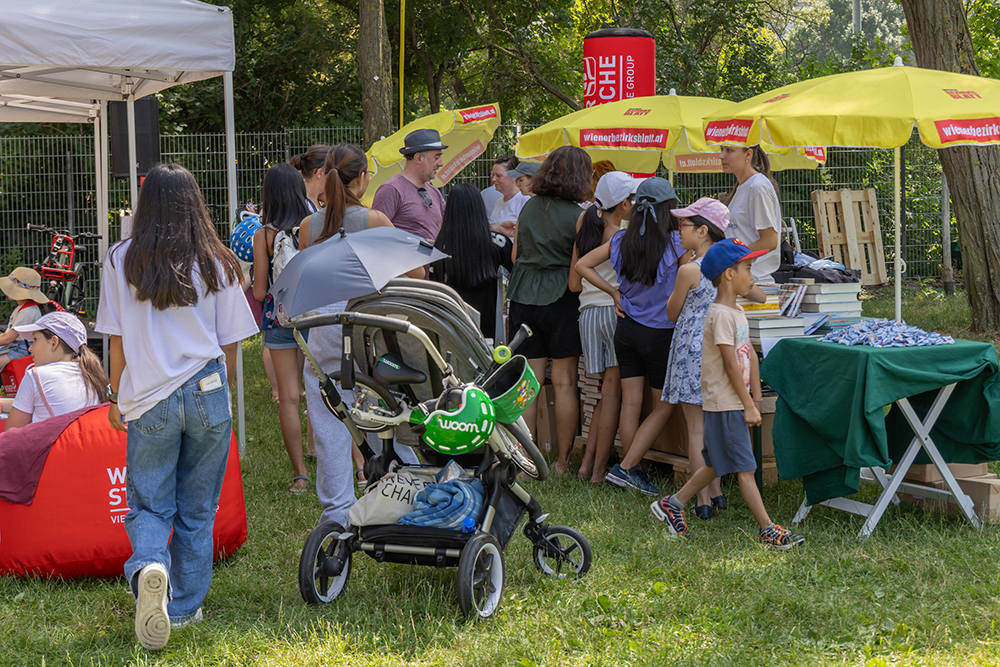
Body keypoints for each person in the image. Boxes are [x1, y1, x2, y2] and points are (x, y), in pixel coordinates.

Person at [96, 163, 258, 650]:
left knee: (149, 502)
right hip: (208, 389)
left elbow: (116, 342)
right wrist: (219, 391)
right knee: (198, 508)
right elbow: (231, 345)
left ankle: (150, 567)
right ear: (195, 203)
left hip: (149, 396)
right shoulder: (219, 260)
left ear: (145, 205)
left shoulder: (121, 258)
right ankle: (185, 607)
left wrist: (115, 395)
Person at [651, 238, 805, 550]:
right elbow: (730, 364)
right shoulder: (719, 314)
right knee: (746, 469)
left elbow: (747, 357)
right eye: (748, 269)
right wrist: (748, 403)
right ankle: (767, 530)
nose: (753, 276)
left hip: (734, 400)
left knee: (716, 463)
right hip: (724, 402)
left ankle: (672, 504)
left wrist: (756, 396)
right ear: (730, 275)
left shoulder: (735, 312)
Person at [299, 143, 423, 525]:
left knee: (329, 422)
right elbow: (416, 274)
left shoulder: (309, 226)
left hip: (322, 328)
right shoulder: (375, 220)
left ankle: (336, 511)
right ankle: (410, 486)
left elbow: (308, 281)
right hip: (365, 327)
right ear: (364, 178)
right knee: (385, 412)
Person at [575, 178, 689, 496]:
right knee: (661, 405)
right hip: (660, 334)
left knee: (630, 403)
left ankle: (631, 467)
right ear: (669, 209)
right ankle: (630, 468)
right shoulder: (677, 243)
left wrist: (613, 291)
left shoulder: (622, 239)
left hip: (625, 329)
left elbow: (583, 265)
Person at [508, 145, 592, 476]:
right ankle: (561, 463)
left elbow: (515, 258)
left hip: (522, 296)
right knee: (565, 381)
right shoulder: (580, 215)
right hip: (561, 299)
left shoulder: (527, 208)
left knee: (529, 382)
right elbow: (578, 270)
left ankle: (527, 461)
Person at [658, 198, 729, 519]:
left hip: (690, 349)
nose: (678, 230)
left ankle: (700, 499)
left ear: (702, 231)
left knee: (696, 430)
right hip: (718, 348)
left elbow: (672, 312)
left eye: (684, 225)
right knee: (713, 426)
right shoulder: (729, 268)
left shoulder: (689, 270)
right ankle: (716, 492)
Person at [569, 171, 636, 485]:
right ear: (623, 204)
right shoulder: (623, 233)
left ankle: (586, 466)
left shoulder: (585, 223)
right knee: (612, 395)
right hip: (613, 312)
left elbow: (573, 281)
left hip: (587, 314)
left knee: (598, 393)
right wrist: (612, 291)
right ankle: (598, 473)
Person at [252, 162, 314, 493]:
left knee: (289, 398)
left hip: (279, 321)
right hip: (315, 318)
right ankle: (360, 469)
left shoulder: (263, 235)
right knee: (329, 393)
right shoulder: (313, 227)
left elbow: (261, 292)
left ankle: (300, 475)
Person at [431, 183, 513, 342]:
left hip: (453, 325)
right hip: (489, 330)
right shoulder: (498, 243)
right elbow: (517, 274)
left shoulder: (440, 246)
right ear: (479, 208)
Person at [4, 311, 108, 429]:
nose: (31, 348)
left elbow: (12, 431)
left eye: (35, 339)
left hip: (51, 447)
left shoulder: (36, 375)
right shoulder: (91, 374)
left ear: (54, 342)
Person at [720, 144, 782, 283]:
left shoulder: (758, 187)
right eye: (721, 149)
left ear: (748, 154)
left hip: (754, 280)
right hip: (739, 278)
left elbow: (770, 241)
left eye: (729, 150)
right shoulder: (745, 186)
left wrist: (733, 256)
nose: (722, 156)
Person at [371, 128, 446, 243]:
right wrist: (419, 244)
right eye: (436, 158)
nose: (441, 163)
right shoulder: (391, 190)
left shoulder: (434, 191)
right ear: (418, 158)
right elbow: (375, 237)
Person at [0, 268, 51, 371]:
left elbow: (8, 339)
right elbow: (6, 334)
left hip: (21, 350)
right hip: (14, 346)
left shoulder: (27, 311)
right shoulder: (22, 307)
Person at [489, 156, 528, 239]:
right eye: (493, 175)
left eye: (498, 176)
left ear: (513, 177)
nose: (493, 179)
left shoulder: (525, 200)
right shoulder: (498, 202)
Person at [290, 144, 332, 212]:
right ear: (320, 174)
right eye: (332, 174)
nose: (336, 179)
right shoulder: (304, 208)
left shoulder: (313, 204)